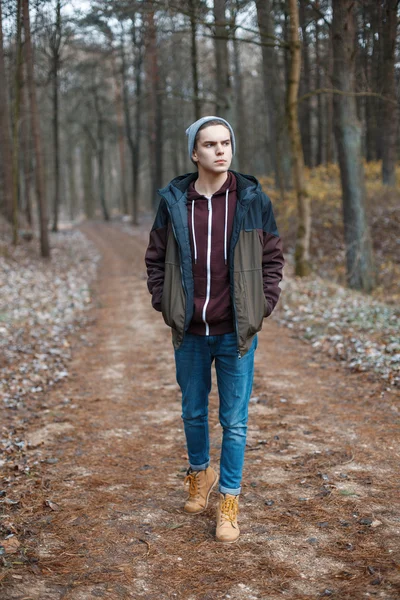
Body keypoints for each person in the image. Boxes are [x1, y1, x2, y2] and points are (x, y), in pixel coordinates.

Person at [145, 116, 284, 543]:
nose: (220, 151)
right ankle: (198, 474)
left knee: (235, 422)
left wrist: (262, 306)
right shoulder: (174, 202)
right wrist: (166, 305)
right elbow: (155, 259)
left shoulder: (252, 200)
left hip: (235, 331)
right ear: (194, 153)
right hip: (190, 330)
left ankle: (229, 500)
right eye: (210, 144)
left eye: (226, 143)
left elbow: (272, 259)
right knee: (192, 411)